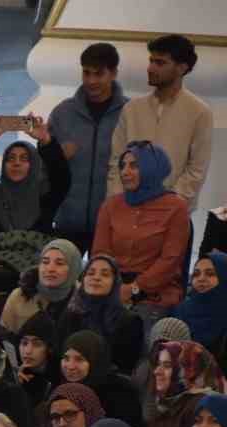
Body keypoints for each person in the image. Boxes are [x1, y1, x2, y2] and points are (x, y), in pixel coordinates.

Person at [105, 35, 213, 210]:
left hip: (172, 214)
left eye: (160, 63)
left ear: (182, 68)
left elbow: (196, 171)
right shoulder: (132, 109)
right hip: (128, 212)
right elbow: (117, 162)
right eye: (151, 61)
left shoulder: (199, 112)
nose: (150, 68)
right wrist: (118, 206)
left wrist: (165, 207)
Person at [94, 142, 192, 320]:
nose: (125, 172)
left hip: (156, 293)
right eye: (123, 166)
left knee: (137, 327)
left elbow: (170, 260)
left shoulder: (176, 207)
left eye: (134, 166)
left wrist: (134, 288)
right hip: (113, 287)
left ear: (152, 168)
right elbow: (100, 254)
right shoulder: (110, 206)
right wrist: (113, 287)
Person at [50, 43, 129, 249]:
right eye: (86, 73)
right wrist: (57, 156)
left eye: (99, 74)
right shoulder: (62, 113)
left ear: (113, 73)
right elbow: (43, 166)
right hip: (66, 221)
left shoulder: (130, 114)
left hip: (112, 221)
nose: (91, 81)